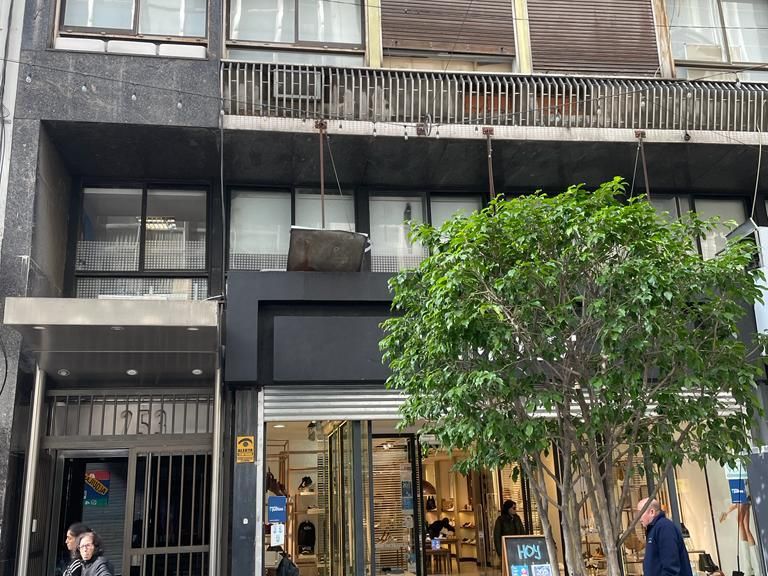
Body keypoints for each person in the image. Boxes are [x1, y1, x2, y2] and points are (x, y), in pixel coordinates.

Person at [637, 498, 692, 576]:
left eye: (640, 513)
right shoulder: (655, 529)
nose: (639, 518)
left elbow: (671, 567)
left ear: (652, 512)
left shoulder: (664, 527)